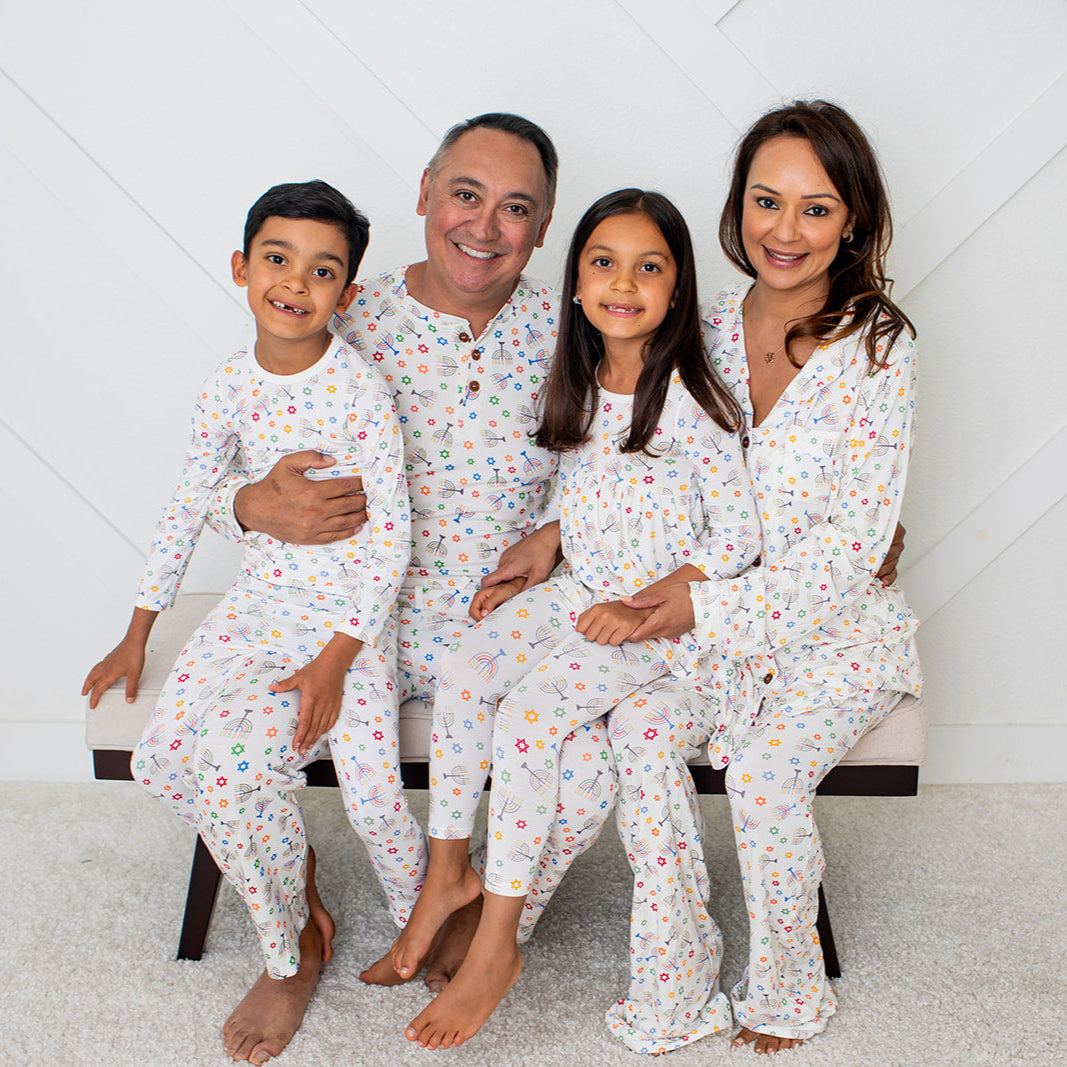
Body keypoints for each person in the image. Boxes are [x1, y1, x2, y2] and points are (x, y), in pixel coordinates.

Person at [204, 115, 620, 990]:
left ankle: (488, 914)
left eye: (515, 208)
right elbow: (218, 469)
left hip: (509, 623)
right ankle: (294, 933)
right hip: (353, 619)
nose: (484, 225)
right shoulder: (346, 313)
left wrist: (556, 532)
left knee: (585, 774)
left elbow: (626, 466)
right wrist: (249, 504)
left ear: (544, 227)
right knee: (232, 754)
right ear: (426, 192)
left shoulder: (578, 331)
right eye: (465, 194)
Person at [397, 189, 761, 1050]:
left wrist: (646, 603)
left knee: (529, 716)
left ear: (676, 289)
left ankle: (496, 939)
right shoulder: (583, 380)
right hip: (577, 589)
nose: (622, 284)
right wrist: (545, 539)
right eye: (603, 263)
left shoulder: (693, 402)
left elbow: (736, 538)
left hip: (653, 623)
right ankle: (446, 871)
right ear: (574, 281)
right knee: (463, 670)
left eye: (648, 267)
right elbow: (590, 491)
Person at [603, 100, 921, 1054]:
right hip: (704, 633)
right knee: (636, 729)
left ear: (852, 220)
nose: (785, 230)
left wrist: (706, 605)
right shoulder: (690, 326)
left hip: (833, 637)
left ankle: (786, 989)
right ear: (736, 205)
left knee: (764, 775)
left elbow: (854, 543)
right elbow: (633, 465)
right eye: (765, 200)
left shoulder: (878, 346)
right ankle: (674, 975)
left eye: (816, 208)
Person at [82, 181, 419, 1066]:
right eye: (277, 258)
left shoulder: (357, 389)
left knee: (374, 802)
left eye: (322, 270)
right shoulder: (229, 386)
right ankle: (292, 917)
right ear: (241, 267)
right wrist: (138, 629)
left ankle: (402, 926)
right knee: (162, 758)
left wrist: (336, 660)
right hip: (260, 608)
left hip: (348, 625)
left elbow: (391, 538)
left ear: (346, 292)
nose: (295, 282)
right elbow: (188, 503)